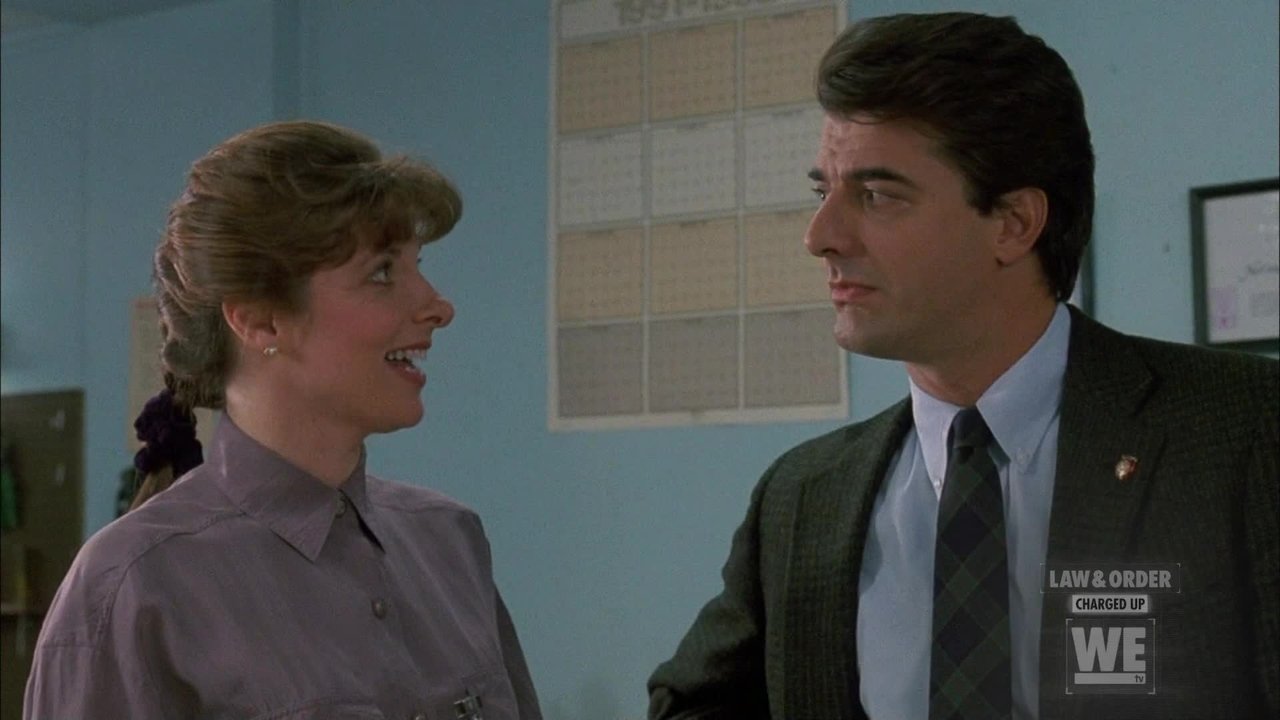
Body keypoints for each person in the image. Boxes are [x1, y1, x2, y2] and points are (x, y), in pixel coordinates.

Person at [648, 12, 1277, 720]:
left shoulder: (1245, 433)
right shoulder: (802, 496)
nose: (820, 236)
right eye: (822, 192)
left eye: (876, 196)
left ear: (1013, 223)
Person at [24, 120, 543, 719]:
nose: (438, 306)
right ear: (260, 320)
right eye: (382, 273)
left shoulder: (450, 541)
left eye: (417, 264)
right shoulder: (132, 588)